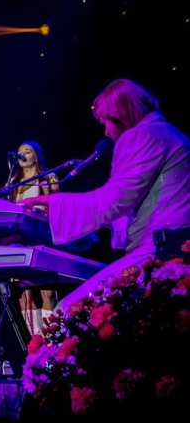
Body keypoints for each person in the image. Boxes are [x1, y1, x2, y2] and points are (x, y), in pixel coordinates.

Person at [23, 79, 190, 312]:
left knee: (67, 312)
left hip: (159, 253)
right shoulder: (165, 132)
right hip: (173, 247)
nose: (106, 132)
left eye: (106, 122)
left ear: (121, 114)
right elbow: (129, 206)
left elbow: (113, 202)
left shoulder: (141, 135)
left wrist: (54, 203)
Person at [7, 141, 59, 334]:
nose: (22, 155)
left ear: (36, 156)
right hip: (19, 239)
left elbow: (56, 205)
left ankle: (52, 338)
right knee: (25, 294)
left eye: (27, 152)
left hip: (41, 236)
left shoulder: (47, 177)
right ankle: (35, 339)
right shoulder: (13, 184)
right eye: (19, 152)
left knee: (47, 290)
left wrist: (39, 211)